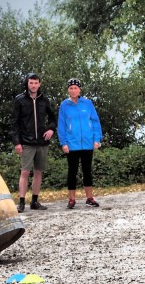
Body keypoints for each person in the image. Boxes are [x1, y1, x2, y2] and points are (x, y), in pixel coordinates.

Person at [11, 72, 57, 212]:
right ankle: (21, 202)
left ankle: (35, 201)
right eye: (31, 82)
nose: (34, 85)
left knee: (38, 172)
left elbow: (53, 118)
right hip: (27, 142)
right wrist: (17, 142)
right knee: (25, 172)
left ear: (40, 84)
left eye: (36, 83)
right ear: (27, 83)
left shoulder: (44, 100)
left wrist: (51, 130)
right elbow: (14, 123)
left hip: (42, 142)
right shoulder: (20, 100)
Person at [57, 78, 102, 208]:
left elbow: (95, 121)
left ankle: (89, 198)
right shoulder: (64, 105)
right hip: (72, 144)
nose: (73, 90)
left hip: (87, 142)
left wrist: (97, 139)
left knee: (87, 170)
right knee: (72, 171)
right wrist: (63, 143)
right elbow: (62, 125)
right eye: (71, 88)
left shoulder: (87, 103)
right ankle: (72, 199)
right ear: (68, 90)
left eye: (75, 88)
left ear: (79, 89)